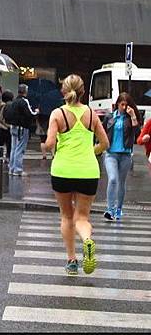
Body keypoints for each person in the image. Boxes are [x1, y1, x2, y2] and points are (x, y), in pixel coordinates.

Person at [45, 74, 109, 276]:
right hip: (88, 171)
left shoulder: (57, 114)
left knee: (66, 216)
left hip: (63, 170)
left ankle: (72, 261)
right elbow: (105, 144)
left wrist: (45, 148)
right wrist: (92, 152)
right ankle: (87, 240)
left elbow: (49, 143)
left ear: (64, 91)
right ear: (83, 92)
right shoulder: (92, 114)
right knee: (82, 217)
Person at [102, 93, 141, 221]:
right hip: (111, 154)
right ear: (117, 104)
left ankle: (119, 208)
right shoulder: (109, 117)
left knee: (121, 182)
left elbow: (138, 135)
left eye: (126, 105)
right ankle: (110, 209)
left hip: (125, 154)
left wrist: (133, 116)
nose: (124, 107)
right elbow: (101, 131)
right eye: (122, 104)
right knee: (113, 179)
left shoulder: (130, 119)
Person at [9, 84, 39, 176]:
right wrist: (36, 112)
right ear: (25, 91)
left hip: (13, 127)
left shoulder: (14, 101)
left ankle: (12, 168)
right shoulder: (24, 101)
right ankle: (18, 169)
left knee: (13, 148)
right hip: (22, 127)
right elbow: (30, 114)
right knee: (20, 149)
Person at [0, 91, 13, 159]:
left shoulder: (0, 105)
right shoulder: (4, 106)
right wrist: (8, 125)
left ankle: (3, 158)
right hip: (4, 127)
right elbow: (1, 118)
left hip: (0, 127)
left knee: (1, 144)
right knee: (4, 144)